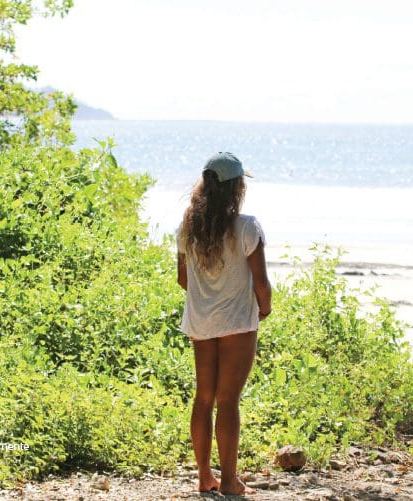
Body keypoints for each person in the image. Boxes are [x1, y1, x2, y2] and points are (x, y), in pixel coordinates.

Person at [176, 152, 272, 496]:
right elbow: (260, 282)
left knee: (203, 398)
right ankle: (229, 480)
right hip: (236, 323)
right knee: (228, 400)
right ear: (237, 188)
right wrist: (264, 308)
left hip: (201, 324)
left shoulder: (188, 229)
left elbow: (183, 280)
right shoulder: (247, 227)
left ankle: (205, 477)